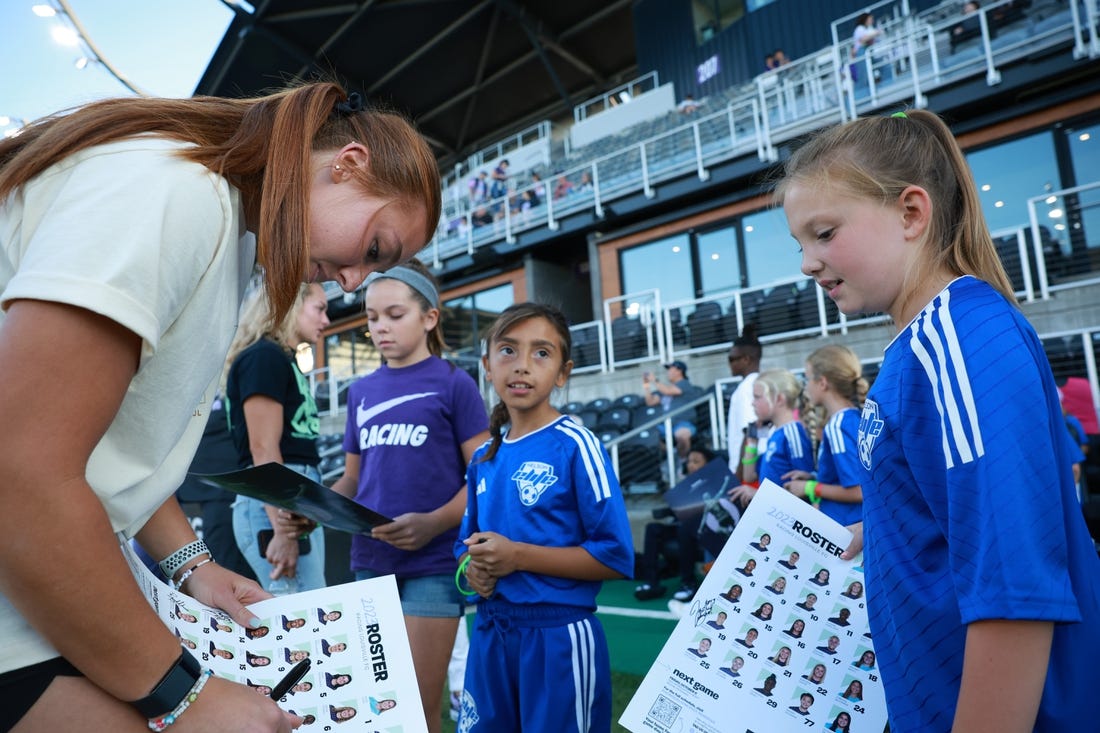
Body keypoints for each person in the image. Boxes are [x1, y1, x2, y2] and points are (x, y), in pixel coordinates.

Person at [0, 81, 439, 733]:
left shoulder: (226, 226)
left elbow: (116, 445)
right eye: (375, 248)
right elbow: (22, 469)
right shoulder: (179, 192)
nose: (352, 281)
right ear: (347, 163)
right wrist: (182, 695)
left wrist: (192, 566)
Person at [779, 108, 1100, 731]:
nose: (807, 263)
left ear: (911, 213)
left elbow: (1015, 594)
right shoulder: (922, 343)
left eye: (824, 233)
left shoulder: (956, 338)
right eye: (799, 244)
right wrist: (896, 523)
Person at [455, 303, 634, 733]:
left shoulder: (576, 445)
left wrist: (517, 556)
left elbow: (615, 556)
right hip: (491, 632)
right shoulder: (483, 457)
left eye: (541, 353)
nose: (521, 366)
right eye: (508, 351)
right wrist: (473, 572)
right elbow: (465, 548)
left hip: (558, 638)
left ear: (563, 372)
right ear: (487, 365)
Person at [329, 259, 489, 733]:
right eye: (372, 318)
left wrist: (436, 522)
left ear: (430, 317)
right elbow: (352, 482)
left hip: (434, 563)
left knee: (419, 708)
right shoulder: (361, 391)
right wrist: (310, 505)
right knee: (375, 706)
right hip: (369, 562)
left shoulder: (454, 384)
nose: (380, 327)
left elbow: (483, 479)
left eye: (394, 315)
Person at [226, 282, 330, 595]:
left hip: (289, 502)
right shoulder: (264, 357)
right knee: (305, 622)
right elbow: (263, 448)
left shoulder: (281, 358)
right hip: (274, 506)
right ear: (291, 305)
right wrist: (282, 530)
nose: (326, 321)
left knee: (309, 616)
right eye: (320, 309)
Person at [783, 345, 867, 525]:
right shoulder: (854, 417)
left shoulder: (838, 425)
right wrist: (814, 476)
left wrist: (809, 487)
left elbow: (859, 490)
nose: (805, 387)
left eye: (807, 380)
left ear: (822, 383)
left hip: (849, 528)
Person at [633, 446, 711, 602]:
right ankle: (652, 582)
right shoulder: (685, 485)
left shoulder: (714, 485)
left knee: (684, 529)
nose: (691, 465)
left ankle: (688, 583)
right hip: (682, 526)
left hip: (704, 531)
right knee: (653, 528)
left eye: (696, 461)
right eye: (689, 461)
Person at [731, 369, 814, 507]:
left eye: (757, 397)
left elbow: (802, 488)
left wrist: (758, 495)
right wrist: (752, 442)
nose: (752, 403)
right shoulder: (776, 435)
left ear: (779, 399)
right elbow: (749, 476)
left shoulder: (792, 433)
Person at [643, 359, 702, 460]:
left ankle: (683, 463)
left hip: (683, 423)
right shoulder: (665, 389)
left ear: (679, 371)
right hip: (666, 425)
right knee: (649, 435)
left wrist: (654, 380)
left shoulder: (684, 383)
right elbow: (650, 402)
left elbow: (668, 391)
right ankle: (673, 455)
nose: (668, 372)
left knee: (682, 435)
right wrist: (646, 385)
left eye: (670, 369)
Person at [726, 326, 764, 477]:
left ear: (746, 359)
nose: (729, 364)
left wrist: (740, 475)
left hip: (749, 467)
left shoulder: (746, 388)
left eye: (731, 359)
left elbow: (749, 431)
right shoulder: (762, 382)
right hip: (759, 463)